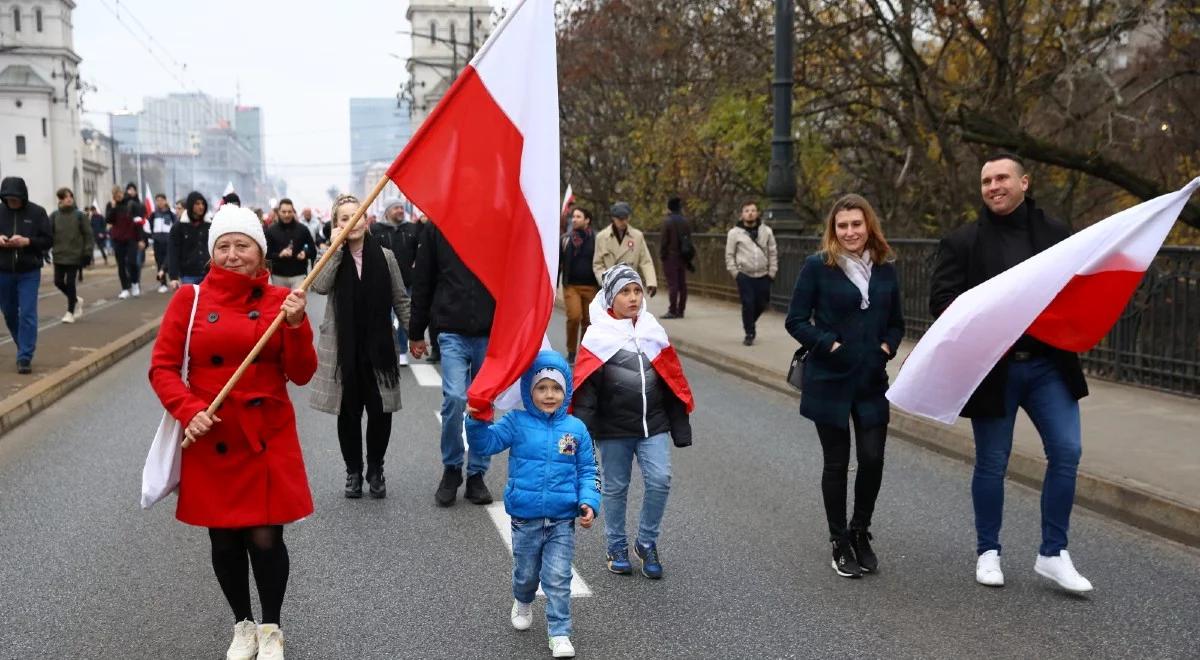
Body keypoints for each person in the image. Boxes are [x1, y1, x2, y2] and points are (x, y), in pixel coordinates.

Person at [148, 203, 317, 660]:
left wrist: (299, 326)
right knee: (223, 537)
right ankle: (242, 625)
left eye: (242, 245)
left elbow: (301, 373)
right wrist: (189, 409)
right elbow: (162, 368)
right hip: (211, 432)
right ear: (210, 253)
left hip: (266, 432)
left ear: (260, 255)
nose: (231, 254)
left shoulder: (284, 304)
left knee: (265, 537)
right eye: (222, 246)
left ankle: (271, 628)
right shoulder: (190, 299)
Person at [929, 152, 1093, 594]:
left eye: (1002, 178)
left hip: (1048, 367)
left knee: (1067, 451)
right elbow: (941, 303)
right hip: (993, 370)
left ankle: (1053, 553)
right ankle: (988, 551)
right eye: (986, 181)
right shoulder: (962, 241)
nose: (993, 186)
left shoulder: (1057, 234)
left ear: (1025, 182)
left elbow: (1080, 288)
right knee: (992, 463)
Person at [784, 193, 904, 579]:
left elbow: (897, 322)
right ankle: (839, 541)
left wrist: (887, 347)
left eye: (856, 224)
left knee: (872, 459)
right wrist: (829, 344)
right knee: (836, 463)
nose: (850, 232)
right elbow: (796, 320)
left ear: (868, 225)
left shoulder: (885, 268)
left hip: (870, 379)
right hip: (830, 379)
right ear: (833, 230)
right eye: (842, 225)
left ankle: (860, 530)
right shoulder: (818, 267)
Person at [466, 350, 600, 659]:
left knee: (557, 577)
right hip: (525, 518)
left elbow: (589, 470)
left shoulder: (576, 428)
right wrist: (475, 418)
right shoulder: (516, 421)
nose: (549, 395)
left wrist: (589, 501)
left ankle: (560, 632)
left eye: (556, 387)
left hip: (562, 520)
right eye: (541, 387)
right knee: (526, 574)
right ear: (529, 389)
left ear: (566, 390)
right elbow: (485, 443)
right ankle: (523, 600)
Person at [573, 264, 693, 579]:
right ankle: (616, 546)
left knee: (660, 480)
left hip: (653, 425)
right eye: (625, 291)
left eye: (637, 291)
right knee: (615, 487)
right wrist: (579, 434)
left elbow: (671, 380)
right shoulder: (598, 336)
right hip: (613, 429)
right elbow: (585, 391)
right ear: (611, 297)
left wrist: (679, 424)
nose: (633, 298)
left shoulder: (653, 331)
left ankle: (646, 541)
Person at [309, 195, 410, 499]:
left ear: (366, 221)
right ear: (336, 223)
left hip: (378, 348)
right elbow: (320, 285)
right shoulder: (329, 256)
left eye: (357, 216)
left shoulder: (386, 256)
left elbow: (400, 298)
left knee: (381, 412)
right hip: (344, 350)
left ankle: (375, 468)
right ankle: (353, 471)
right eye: (344, 218)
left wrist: (415, 334)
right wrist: (337, 249)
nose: (351, 222)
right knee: (348, 413)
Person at [409, 222, 496, 507]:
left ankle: (477, 474)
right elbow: (423, 280)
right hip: (450, 329)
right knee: (456, 398)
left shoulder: (495, 225)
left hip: (489, 330)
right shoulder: (437, 227)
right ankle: (452, 468)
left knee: (482, 404)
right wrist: (415, 330)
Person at [0, 177, 52, 374]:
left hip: (29, 271)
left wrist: (27, 242)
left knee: (28, 312)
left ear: (23, 196)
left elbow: (48, 240)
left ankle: (25, 357)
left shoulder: (37, 212)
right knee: (9, 312)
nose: (12, 202)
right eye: (8, 199)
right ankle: (22, 344)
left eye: (16, 199)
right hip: (3, 271)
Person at [724, 200, 778, 346]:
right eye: (747, 210)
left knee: (762, 303)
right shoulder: (734, 233)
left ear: (757, 213)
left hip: (763, 274)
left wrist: (772, 272)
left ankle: (748, 321)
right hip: (744, 274)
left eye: (753, 210)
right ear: (742, 214)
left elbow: (772, 252)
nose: (750, 213)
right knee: (748, 303)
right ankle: (749, 333)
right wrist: (736, 273)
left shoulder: (766, 231)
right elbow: (729, 255)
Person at [592, 202, 656, 298]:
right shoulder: (602, 237)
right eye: (620, 219)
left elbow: (645, 261)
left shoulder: (637, 236)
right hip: (610, 287)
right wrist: (606, 281)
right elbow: (597, 264)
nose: (623, 222)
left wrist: (651, 282)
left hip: (631, 286)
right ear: (613, 218)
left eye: (625, 218)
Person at [560, 207, 599, 364]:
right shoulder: (566, 239)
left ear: (587, 220)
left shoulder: (597, 239)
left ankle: (584, 352)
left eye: (578, 216)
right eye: (573, 216)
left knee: (588, 322)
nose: (574, 219)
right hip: (571, 286)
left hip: (592, 286)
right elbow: (558, 263)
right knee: (574, 317)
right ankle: (571, 351)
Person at [49, 188, 94, 324]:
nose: (69, 199)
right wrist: (44, 250)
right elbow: (48, 234)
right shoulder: (54, 216)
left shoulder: (80, 216)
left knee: (70, 282)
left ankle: (70, 312)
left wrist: (87, 252)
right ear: (60, 199)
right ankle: (75, 299)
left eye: (70, 196)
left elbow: (88, 235)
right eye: (65, 197)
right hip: (59, 254)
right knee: (58, 281)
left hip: (75, 254)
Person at [265, 198, 315, 290]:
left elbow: (313, 249)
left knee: (297, 303)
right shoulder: (271, 231)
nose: (286, 215)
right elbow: (266, 254)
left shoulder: (303, 229)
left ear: (293, 212)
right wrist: (280, 254)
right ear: (279, 212)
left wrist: (305, 253)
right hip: (278, 276)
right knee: (280, 304)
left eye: (289, 211)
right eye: (284, 212)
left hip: (298, 275)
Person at [107, 183, 146, 299]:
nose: (117, 196)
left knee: (132, 262)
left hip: (131, 238)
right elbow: (108, 219)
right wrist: (113, 208)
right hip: (117, 238)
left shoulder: (131, 204)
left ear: (122, 193)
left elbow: (138, 223)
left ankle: (134, 284)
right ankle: (124, 288)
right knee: (121, 265)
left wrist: (141, 239)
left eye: (118, 194)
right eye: (115, 195)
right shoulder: (111, 206)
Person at [659, 196, 693, 319]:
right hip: (683, 256)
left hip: (670, 256)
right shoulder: (685, 221)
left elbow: (664, 241)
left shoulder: (667, 222)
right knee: (682, 284)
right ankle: (681, 310)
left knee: (673, 284)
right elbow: (689, 240)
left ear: (669, 208)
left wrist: (662, 255)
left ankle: (672, 310)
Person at [168, 191, 211, 288]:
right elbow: (173, 252)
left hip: (208, 274)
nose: (201, 206)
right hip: (188, 275)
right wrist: (173, 277)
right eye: (197, 204)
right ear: (190, 205)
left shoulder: (210, 225)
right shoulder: (178, 227)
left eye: (203, 203)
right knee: (190, 302)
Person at [149, 193, 177, 293]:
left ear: (165, 201)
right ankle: (163, 283)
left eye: (161, 200)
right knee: (159, 262)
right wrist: (153, 236)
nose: (159, 202)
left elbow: (175, 226)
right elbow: (150, 226)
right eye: (157, 200)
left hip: (168, 241)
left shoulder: (171, 214)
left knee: (168, 261)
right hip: (157, 242)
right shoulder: (153, 214)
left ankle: (173, 280)